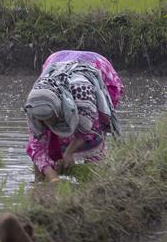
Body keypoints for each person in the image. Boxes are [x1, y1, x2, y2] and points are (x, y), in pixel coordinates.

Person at [24, 53, 120, 182]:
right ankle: (40, 187)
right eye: (43, 120)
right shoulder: (35, 104)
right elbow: (36, 145)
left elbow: (87, 130)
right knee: (46, 144)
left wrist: (68, 153)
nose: (47, 123)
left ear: (59, 109)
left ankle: (94, 183)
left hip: (94, 67)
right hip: (56, 61)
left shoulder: (82, 93)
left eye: (50, 118)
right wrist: (53, 178)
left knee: (94, 140)